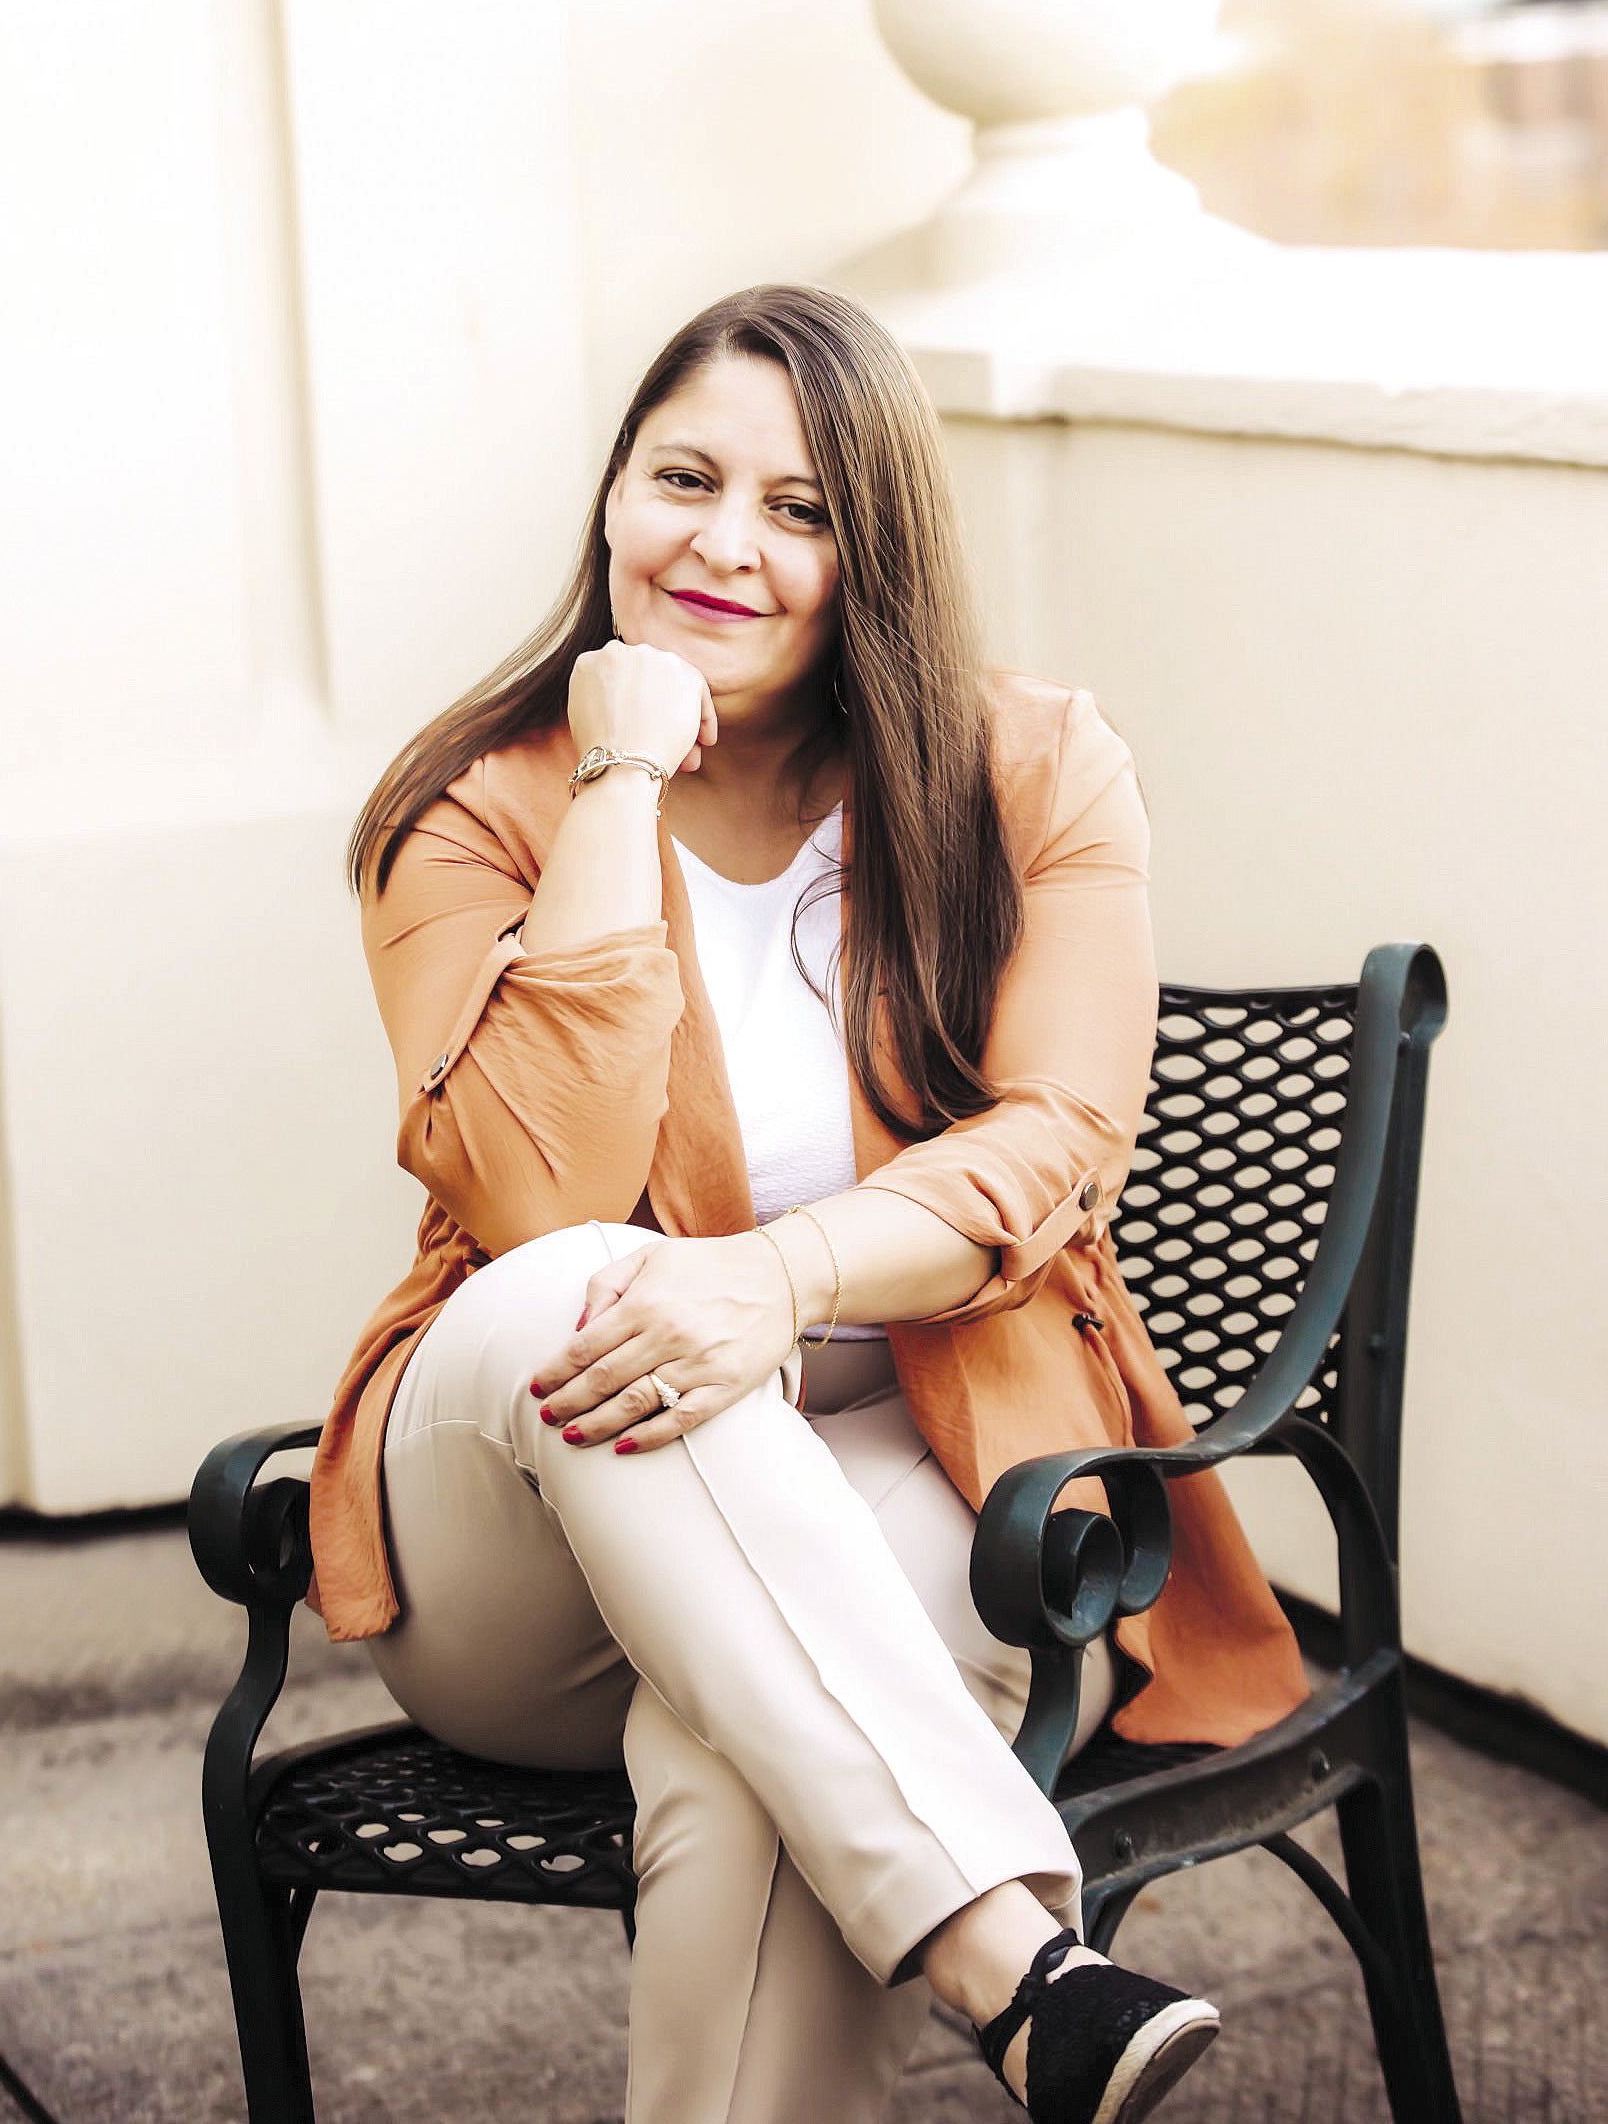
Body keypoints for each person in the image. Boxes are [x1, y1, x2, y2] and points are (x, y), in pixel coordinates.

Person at [308, 284, 1310, 2124]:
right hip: (520, 1535)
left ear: (878, 551)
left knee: (742, 1753)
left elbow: (1060, 1137)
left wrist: (776, 1283)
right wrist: (619, 772)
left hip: (918, 1474)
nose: (723, 542)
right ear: (611, 494)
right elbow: (538, 1195)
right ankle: (1018, 1960)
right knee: (584, 1284)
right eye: (683, 477)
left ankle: (1010, 1982)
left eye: (801, 507)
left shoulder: (1031, 773)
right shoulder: (471, 806)